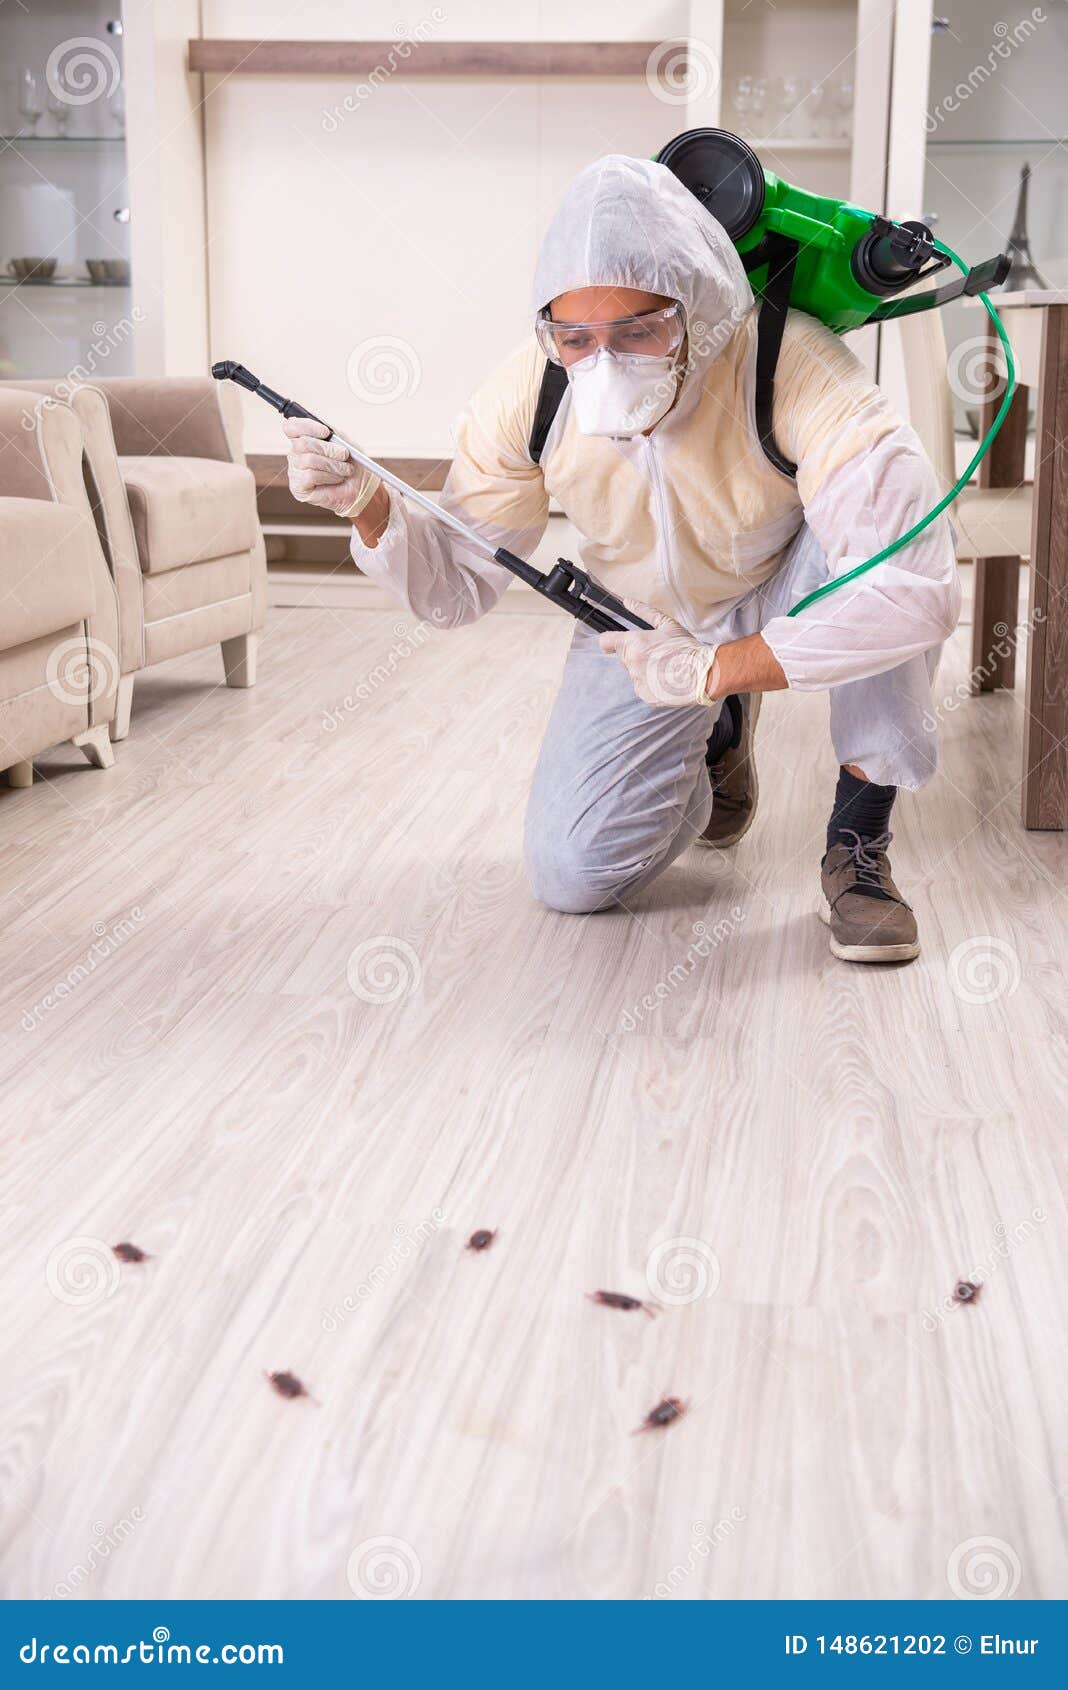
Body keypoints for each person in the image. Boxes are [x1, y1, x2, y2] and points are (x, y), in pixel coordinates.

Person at [283, 155, 959, 964]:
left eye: (640, 329)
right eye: (576, 336)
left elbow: (912, 590)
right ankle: (721, 737)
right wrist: (368, 505)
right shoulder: (529, 393)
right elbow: (460, 587)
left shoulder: (792, 365)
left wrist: (717, 668)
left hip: (789, 574)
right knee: (574, 875)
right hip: (643, 619)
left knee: (884, 552)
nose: (605, 360)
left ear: (699, 308)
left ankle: (859, 842)